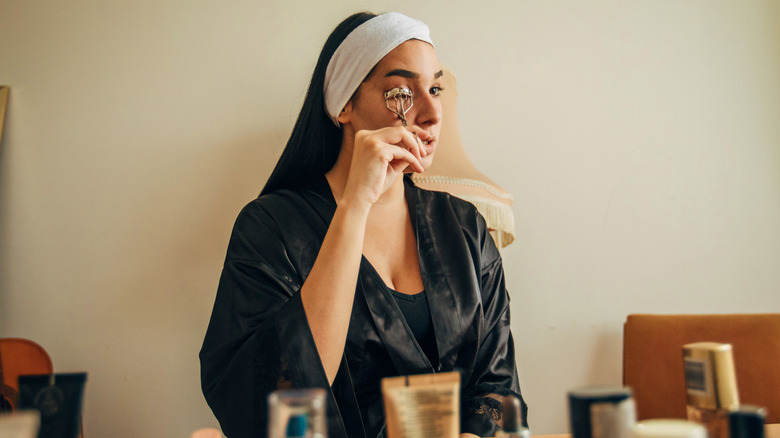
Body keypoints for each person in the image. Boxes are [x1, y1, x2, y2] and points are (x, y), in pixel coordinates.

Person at [199, 11, 528, 438]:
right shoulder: (271, 227)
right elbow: (268, 402)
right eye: (401, 92)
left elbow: (501, 392)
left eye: (435, 89)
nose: (432, 112)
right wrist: (355, 205)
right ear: (344, 106)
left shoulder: (466, 228)